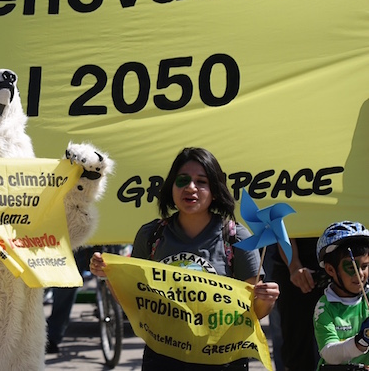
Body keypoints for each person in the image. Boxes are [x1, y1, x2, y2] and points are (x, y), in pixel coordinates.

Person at [90, 147, 279, 371]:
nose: (191, 188)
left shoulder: (236, 237)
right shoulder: (150, 236)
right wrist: (109, 274)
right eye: (183, 180)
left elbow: (255, 312)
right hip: (163, 359)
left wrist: (266, 299)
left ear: (215, 190)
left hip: (223, 360)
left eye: (202, 181)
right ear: (171, 187)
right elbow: (133, 299)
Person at [313, 221, 369, 369]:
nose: (361, 274)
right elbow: (329, 354)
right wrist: (361, 341)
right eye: (352, 267)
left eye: (365, 266)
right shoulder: (324, 307)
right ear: (330, 270)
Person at [272, 237, 324, 371]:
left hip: (342, 264)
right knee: (297, 349)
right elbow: (285, 224)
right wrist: (294, 265)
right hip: (295, 271)